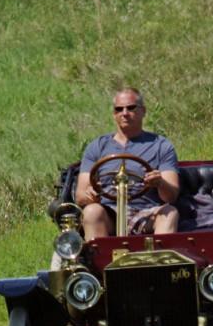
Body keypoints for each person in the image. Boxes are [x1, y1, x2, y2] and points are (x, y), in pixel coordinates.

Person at [75, 87, 179, 238]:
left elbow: (171, 195)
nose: (124, 113)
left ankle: (159, 258)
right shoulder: (97, 146)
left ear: (143, 111)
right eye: (119, 109)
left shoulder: (161, 145)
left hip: (147, 211)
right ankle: (98, 258)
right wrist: (90, 196)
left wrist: (160, 183)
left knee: (170, 212)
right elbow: (80, 195)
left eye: (131, 108)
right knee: (91, 211)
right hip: (109, 211)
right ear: (114, 114)